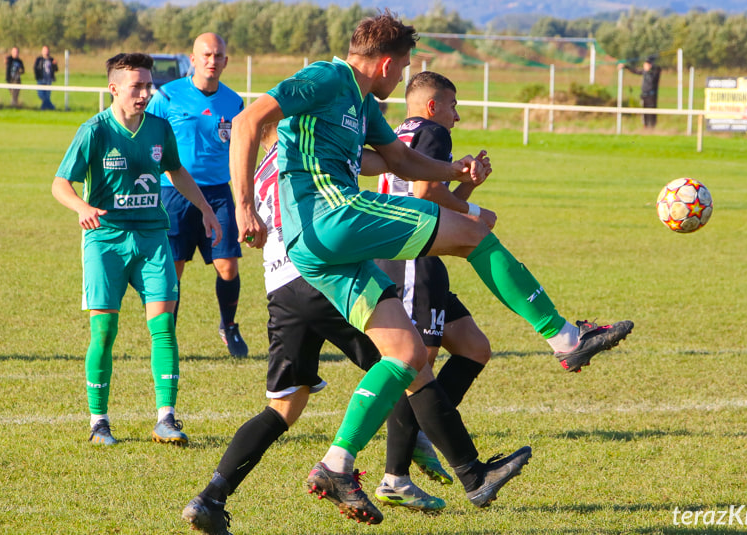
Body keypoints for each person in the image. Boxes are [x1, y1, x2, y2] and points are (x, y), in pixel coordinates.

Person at [228, 11, 633, 524]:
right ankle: (565, 338)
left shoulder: (360, 104)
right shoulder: (328, 77)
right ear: (386, 63)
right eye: (401, 71)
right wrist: (242, 206)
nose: (401, 81)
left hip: (315, 247)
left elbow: (400, 161)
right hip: (330, 214)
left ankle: (337, 464)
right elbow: (247, 121)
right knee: (473, 236)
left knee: (406, 354)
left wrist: (454, 170)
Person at [182, 128, 527, 534]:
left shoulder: (262, 169)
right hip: (322, 274)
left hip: (280, 289)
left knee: (284, 408)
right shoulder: (312, 147)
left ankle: (210, 498)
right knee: (408, 359)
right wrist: (451, 170)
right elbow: (388, 162)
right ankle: (467, 475)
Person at [51, 53, 222, 447]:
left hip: (152, 237)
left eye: (148, 85)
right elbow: (61, 183)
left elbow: (176, 170)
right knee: (105, 331)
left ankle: (166, 418)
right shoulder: (94, 130)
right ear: (113, 89)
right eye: (136, 87)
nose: (145, 93)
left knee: (163, 326)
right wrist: (81, 207)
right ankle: (99, 422)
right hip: (105, 238)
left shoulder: (160, 129)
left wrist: (205, 208)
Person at [371, 71, 501, 510]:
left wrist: (468, 188)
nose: (457, 115)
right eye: (452, 105)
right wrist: (475, 211)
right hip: (411, 256)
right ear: (432, 106)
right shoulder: (432, 130)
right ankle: (395, 474)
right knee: (413, 365)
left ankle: (424, 432)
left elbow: (426, 191)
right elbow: (426, 192)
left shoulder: (400, 130)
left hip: (419, 253)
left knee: (473, 347)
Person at [146, 33, 248, 358]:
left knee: (228, 266)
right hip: (172, 191)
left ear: (226, 61)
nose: (211, 61)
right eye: (205, 55)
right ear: (192, 59)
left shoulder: (234, 103)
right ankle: (167, 338)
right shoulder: (167, 95)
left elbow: (240, 149)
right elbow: (147, 135)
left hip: (217, 192)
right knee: (173, 270)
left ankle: (228, 326)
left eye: (218, 56)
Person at [619, 55, 661, 128]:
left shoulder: (655, 72)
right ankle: (646, 126)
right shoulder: (645, 72)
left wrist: (650, 66)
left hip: (651, 96)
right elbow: (635, 71)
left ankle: (651, 127)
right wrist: (626, 66)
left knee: (651, 113)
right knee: (644, 113)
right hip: (644, 95)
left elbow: (655, 72)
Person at [34, 45, 58, 110]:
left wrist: (54, 64)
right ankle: (51, 107)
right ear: (42, 51)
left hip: (48, 80)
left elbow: (55, 70)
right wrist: (37, 77)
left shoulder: (51, 59)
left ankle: (44, 108)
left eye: (47, 50)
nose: (46, 52)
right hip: (41, 79)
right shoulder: (39, 59)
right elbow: (35, 68)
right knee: (41, 94)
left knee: (47, 96)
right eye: (44, 50)